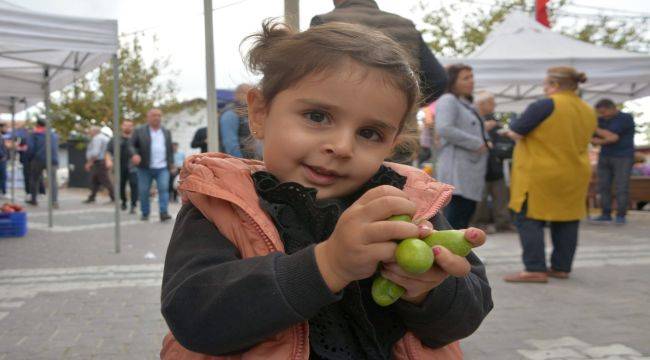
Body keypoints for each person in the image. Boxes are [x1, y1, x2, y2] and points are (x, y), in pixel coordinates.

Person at [160, 21, 492, 360]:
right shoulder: (223, 203)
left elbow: (466, 315)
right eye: (317, 116)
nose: (342, 146)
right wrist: (328, 265)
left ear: (391, 144)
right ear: (260, 113)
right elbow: (194, 319)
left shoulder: (406, 204)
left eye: (369, 133)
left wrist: (427, 291)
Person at [503, 66, 596, 283]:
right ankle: (561, 267)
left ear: (554, 85)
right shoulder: (587, 109)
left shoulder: (546, 104)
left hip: (541, 173)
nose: (544, 88)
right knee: (568, 219)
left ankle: (534, 268)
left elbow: (517, 130)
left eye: (545, 84)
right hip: (575, 172)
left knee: (529, 218)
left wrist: (508, 132)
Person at [311, 0, 447, 105]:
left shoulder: (325, 22)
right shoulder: (406, 25)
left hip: (341, 124)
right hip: (399, 129)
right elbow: (439, 80)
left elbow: (312, 76)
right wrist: (408, 107)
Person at [435, 64, 489, 230]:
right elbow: (444, 128)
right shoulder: (448, 100)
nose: (471, 81)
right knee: (455, 222)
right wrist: (477, 143)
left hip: (469, 172)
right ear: (452, 81)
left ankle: (458, 256)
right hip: (457, 172)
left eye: (472, 77)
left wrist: (485, 141)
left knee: (462, 220)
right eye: (466, 78)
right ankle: (448, 255)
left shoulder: (465, 103)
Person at [470, 91, 515, 233]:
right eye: (492, 103)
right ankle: (479, 223)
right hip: (478, 166)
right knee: (480, 198)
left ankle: (503, 222)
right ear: (483, 104)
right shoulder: (472, 118)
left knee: (501, 196)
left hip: (495, 165)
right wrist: (483, 127)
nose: (494, 105)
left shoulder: (494, 121)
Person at [590, 98, 636, 225]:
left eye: (604, 112)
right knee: (603, 185)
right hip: (605, 156)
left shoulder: (625, 118)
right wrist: (601, 139)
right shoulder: (601, 120)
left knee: (621, 186)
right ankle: (606, 213)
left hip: (623, 156)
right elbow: (599, 138)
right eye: (599, 113)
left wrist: (597, 133)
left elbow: (613, 137)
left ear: (612, 108)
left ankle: (621, 214)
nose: (602, 115)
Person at [130, 108, 173, 222]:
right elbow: (131, 145)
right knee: (144, 191)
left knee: (163, 188)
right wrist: (134, 154)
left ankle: (163, 212)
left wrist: (171, 163)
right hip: (144, 167)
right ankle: (145, 212)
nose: (157, 118)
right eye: (154, 115)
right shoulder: (139, 131)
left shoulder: (166, 132)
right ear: (148, 117)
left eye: (159, 115)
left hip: (162, 167)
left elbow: (169, 149)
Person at [25, 118, 59, 208]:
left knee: (34, 179)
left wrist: (29, 159)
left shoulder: (34, 135)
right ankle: (54, 201)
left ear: (38, 125)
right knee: (53, 181)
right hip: (53, 160)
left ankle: (34, 200)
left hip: (38, 159)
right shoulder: (53, 135)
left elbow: (30, 149)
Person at [106, 119, 138, 213]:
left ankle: (133, 205)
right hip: (120, 166)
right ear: (122, 126)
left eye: (130, 125)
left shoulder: (136, 139)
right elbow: (108, 151)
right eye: (125, 125)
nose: (127, 127)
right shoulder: (115, 139)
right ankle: (123, 201)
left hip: (133, 167)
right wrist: (108, 161)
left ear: (132, 127)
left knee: (134, 184)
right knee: (121, 185)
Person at [219, 84, 257, 159]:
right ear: (238, 95)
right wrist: (241, 163)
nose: (252, 97)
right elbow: (230, 143)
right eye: (248, 94)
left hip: (250, 161)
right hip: (238, 164)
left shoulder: (244, 112)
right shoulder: (231, 114)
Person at [83, 126, 115, 203]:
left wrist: (89, 163)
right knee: (95, 180)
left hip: (99, 162)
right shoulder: (105, 138)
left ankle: (114, 197)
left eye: (90, 131)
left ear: (94, 132)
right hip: (103, 161)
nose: (89, 133)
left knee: (105, 180)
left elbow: (95, 152)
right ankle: (92, 196)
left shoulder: (97, 138)